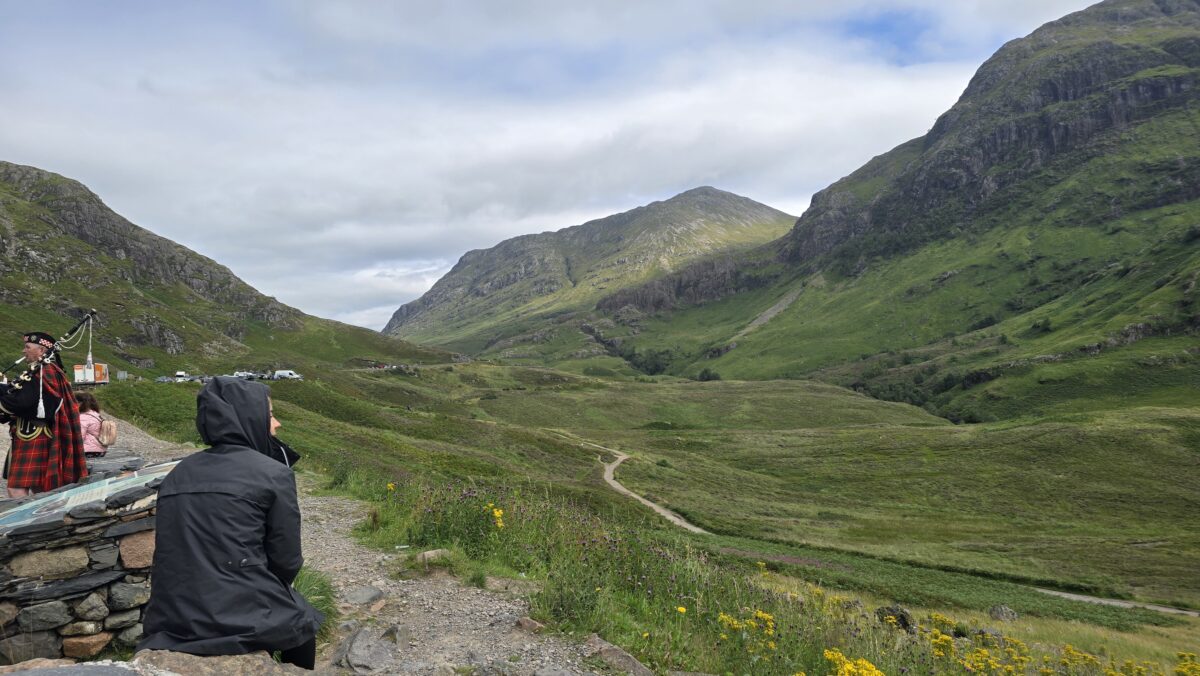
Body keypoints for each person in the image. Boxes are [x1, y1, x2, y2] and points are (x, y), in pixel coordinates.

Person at [138, 377, 321, 670]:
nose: (277, 424)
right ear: (250, 416)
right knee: (303, 626)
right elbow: (286, 562)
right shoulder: (273, 474)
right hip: (235, 614)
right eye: (270, 414)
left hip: (171, 616)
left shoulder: (178, 474)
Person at [0, 331, 87, 498]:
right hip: (32, 434)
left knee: (16, 488)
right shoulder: (45, 371)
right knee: (40, 489)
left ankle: (26, 522)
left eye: (27, 347)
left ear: (41, 350)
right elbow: (23, 396)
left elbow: (23, 402)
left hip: (32, 435)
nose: (23, 351)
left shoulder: (45, 372)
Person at [75, 391, 107, 458]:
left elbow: (79, 437)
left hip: (88, 451)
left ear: (81, 403)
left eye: (75, 402)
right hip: (100, 450)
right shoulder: (95, 414)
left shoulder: (83, 417)